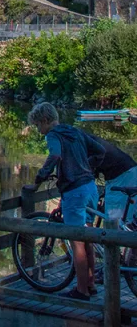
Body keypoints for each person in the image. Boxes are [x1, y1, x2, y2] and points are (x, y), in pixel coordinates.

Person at [28, 102, 106, 301]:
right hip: (90, 187)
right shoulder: (75, 131)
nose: (39, 130)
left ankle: (81, 290)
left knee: (76, 242)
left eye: (38, 125)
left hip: (75, 191)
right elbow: (100, 150)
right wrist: (87, 167)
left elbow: (54, 155)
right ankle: (90, 284)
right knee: (87, 236)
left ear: (45, 120)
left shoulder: (53, 135)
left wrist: (37, 181)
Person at [89, 135, 137, 224]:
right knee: (123, 219)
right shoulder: (86, 139)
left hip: (122, 176)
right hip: (127, 172)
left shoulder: (79, 144)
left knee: (114, 220)